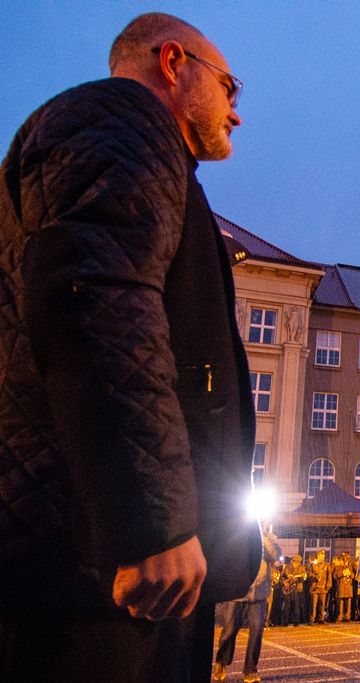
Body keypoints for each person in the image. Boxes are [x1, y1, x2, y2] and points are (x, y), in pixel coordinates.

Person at [0, 12, 261, 682]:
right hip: (102, 573)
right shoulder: (121, 122)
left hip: (104, 561)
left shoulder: (138, 151)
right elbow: (97, 301)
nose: (237, 114)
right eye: (230, 88)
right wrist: (150, 520)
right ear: (174, 64)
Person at [213, 531, 281, 683]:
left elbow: (275, 556)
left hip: (259, 592)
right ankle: (221, 661)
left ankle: (250, 670)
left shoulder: (269, 538)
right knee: (229, 629)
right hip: (237, 590)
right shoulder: (237, 530)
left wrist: (263, 538)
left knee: (257, 630)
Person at [308, 550, 329, 625]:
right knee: (313, 604)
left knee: (322, 604)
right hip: (314, 587)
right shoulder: (313, 565)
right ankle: (312, 619)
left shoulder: (326, 565)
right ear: (318, 556)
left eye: (323, 556)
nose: (322, 557)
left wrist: (328, 586)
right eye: (320, 556)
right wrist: (315, 577)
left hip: (323, 587)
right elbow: (309, 574)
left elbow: (328, 576)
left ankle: (321, 618)